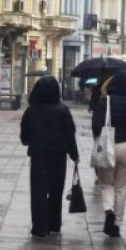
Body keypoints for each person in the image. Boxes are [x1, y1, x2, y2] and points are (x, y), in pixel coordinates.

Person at [20, 75, 79, 237]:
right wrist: (74, 155)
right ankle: (54, 223)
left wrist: (30, 141)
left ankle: (39, 226)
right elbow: (70, 135)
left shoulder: (31, 110)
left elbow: (24, 137)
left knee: (38, 190)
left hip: (38, 156)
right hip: (58, 156)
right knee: (56, 190)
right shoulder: (63, 110)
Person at [92, 70, 126, 237]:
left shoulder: (104, 102)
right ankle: (117, 223)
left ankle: (109, 211)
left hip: (108, 145)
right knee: (121, 187)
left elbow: (95, 126)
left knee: (106, 183)